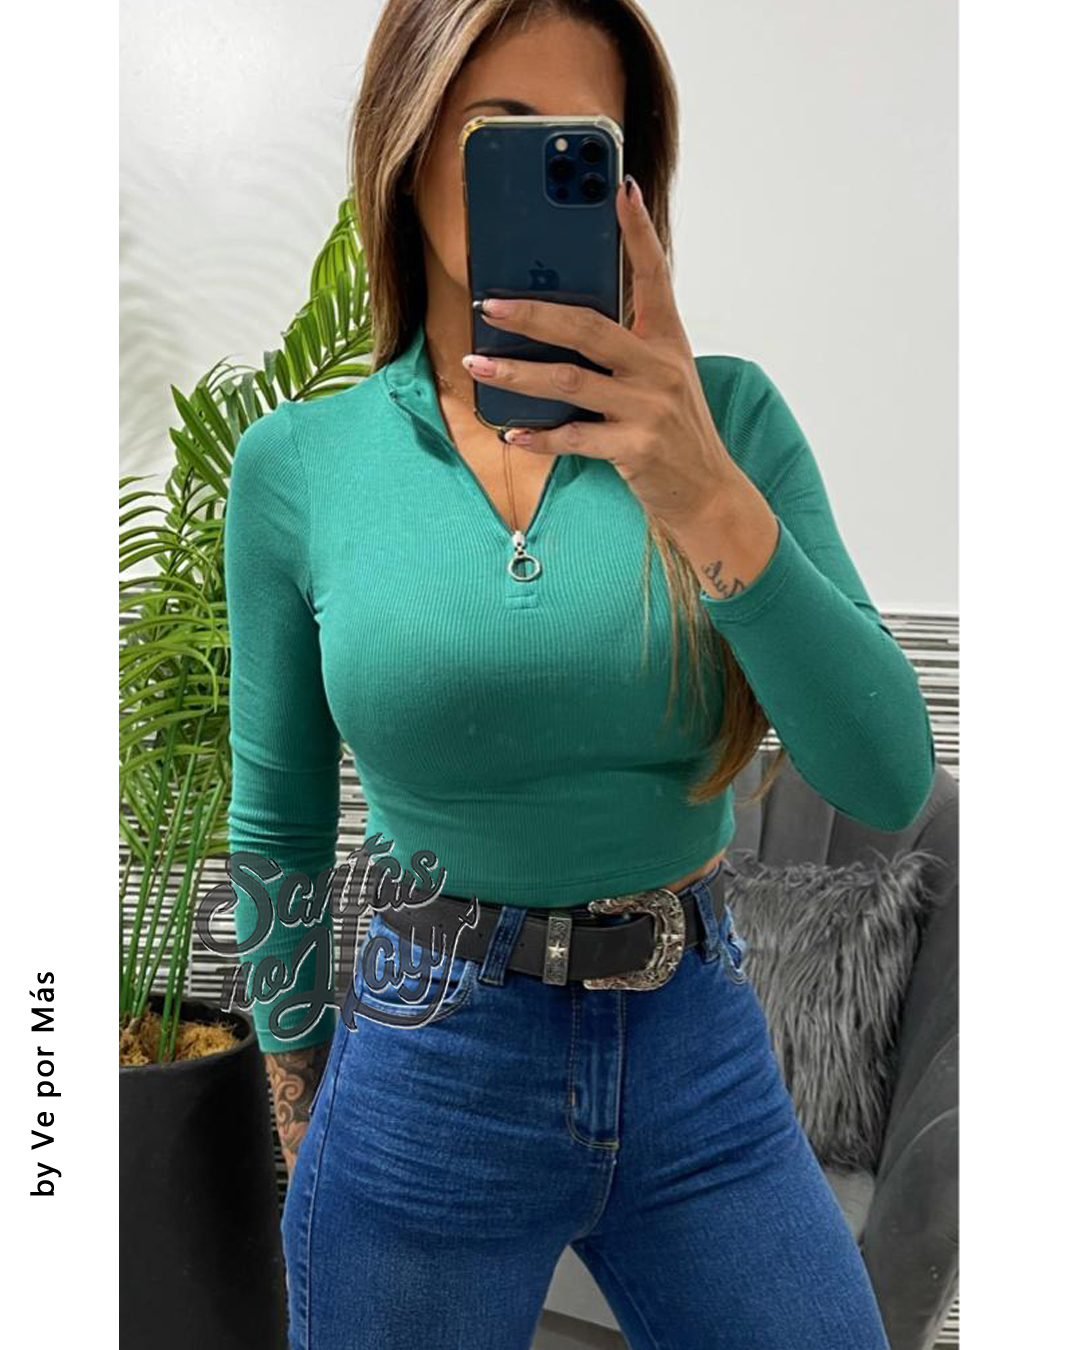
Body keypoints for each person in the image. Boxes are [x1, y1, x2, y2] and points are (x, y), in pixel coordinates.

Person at [223, 2, 936, 1346]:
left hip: (697, 1051)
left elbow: (888, 775)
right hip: (428, 1053)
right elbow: (276, 819)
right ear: (408, 147)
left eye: (581, 146)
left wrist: (701, 487)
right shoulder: (299, 468)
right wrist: (300, 1097)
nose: (542, 176)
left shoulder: (729, 422)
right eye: (501, 134)